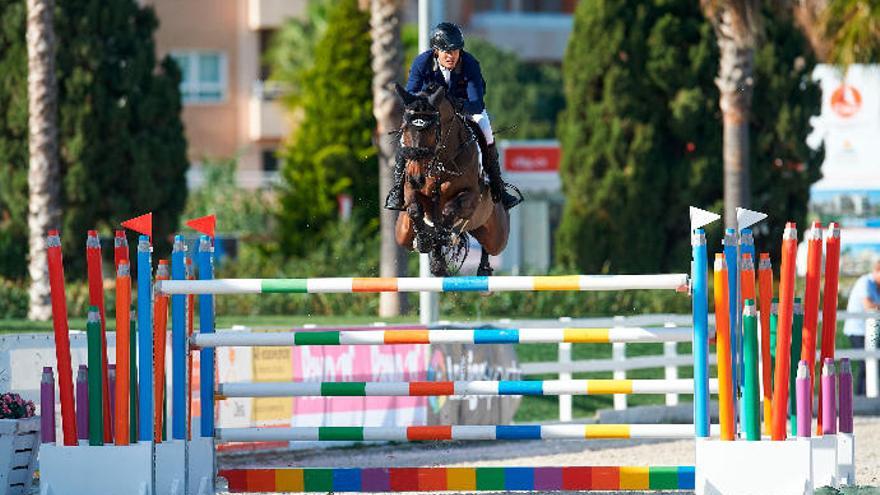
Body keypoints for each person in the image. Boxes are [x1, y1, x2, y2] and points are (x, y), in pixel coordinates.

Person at [384, 22, 521, 211]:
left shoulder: (470, 64)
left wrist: (453, 105)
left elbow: (477, 103)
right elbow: (412, 96)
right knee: (405, 139)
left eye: (455, 51)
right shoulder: (421, 63)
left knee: (486, 131)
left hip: (464, 110)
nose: (452, 56)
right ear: (436, 51)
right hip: (429, 113)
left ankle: (498, 187)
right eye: (447, 52)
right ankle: (398, 190)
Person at [843, 257, 880, 395]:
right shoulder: (866, 282)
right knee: (865, 364)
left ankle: (867, 395)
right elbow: (868, 306)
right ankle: (860, 397)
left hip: (870, 331)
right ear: (877, 271)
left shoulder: (876, 285)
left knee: (871, 364)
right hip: (857, 330)